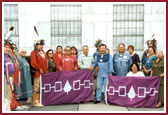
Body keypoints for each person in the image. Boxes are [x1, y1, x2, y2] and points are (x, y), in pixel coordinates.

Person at [30, 39, 48, 107]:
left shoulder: (43, 52)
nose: (41, 46)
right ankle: (35, 101)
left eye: (42, 45)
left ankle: (40, 100)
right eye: (40, 45)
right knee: (36, 87)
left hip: (44, 72)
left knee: (41, 86)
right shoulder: (34, 53)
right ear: (36, 45)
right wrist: (39, 68)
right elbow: (33, 63)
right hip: (37, 72)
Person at [4, 40, 15, 111]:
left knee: (9, 96)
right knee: (7, 96)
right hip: (4, 78)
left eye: (9, 48)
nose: (8, 49)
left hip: (10, 77)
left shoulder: (8, 56)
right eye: (5, 47)